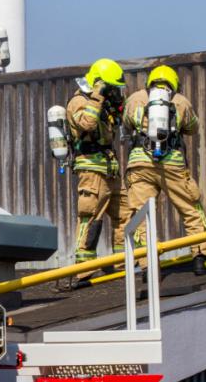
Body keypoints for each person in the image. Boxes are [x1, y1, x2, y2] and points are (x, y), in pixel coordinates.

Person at [123, 65, 206, 275]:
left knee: (141, 217)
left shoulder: (134, 99)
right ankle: (202, 257)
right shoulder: (181, 101)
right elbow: (193, 127)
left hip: (140, 163)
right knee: (191, 209)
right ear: (173, 82)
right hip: (172, 163)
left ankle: (149, 267)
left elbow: (127, 124)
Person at [66, 58, 130, 265]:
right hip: (91, 168)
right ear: (98, 83)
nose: (113, 91)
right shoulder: (79, 101)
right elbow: (87, 123)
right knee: (91, 216)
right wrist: (97, 96)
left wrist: (116, 103)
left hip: (110, 166)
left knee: (125, 213)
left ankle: (123, 262)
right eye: (110, 87)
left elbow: (117, 122)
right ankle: (84, 268)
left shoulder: (103, 103)